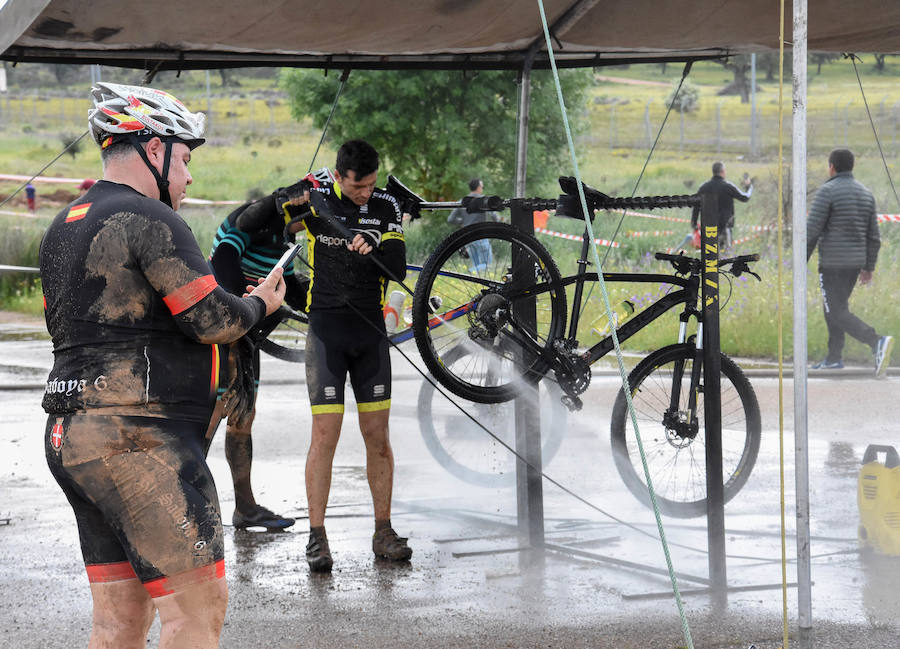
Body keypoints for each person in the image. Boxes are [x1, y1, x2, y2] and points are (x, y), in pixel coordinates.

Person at [38, 82, 286, 649]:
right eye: (186, 159)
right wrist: (260, 304)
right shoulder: (149, 217)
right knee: (196, 613)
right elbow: (212, 320)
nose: (189, 177)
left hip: (71, 434)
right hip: (140, 439)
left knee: (119, 620)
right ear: (155, 149)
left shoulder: (64, 223)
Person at [281, 139, 410, 572]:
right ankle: (317, 537)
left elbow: (397, 266)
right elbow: (279, 222)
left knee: (378, 436)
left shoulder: (386, 205)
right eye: (357, 187)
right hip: (326, 333)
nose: (365, 193)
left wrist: (374, 243)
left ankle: (383, 531)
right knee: (325, 437)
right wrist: (294, 201)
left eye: (371, 185)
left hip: (369, 333)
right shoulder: (316, 202)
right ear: (339, 176)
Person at [206, 172, 328, 531]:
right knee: (210, 415)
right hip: (223, 329)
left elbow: (287, 286)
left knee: (243, 417)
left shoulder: (287, 237)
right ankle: (183, 501)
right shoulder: (256, 217)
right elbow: (223, 261)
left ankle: (245, 508)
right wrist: (238, 318)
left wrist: (328, 308)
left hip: (247, 334)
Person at [807, 148, 893, 376]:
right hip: (854, 265)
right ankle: (834, 358)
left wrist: (800, 260)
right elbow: (874, 237)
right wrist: (869, 267)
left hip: (832, 264)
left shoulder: (827, 191)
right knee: (835, 309)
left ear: (832, 167)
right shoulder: (866, 194)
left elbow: (812, 230)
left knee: (835, 311)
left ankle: (876, 341)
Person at [690, 161, 752, 249]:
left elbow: (696, 206)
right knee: (726, 254)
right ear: (723, 171)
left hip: (708, 229)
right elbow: (745, 197)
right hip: (725, 227)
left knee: (710, 255)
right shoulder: (728, 186)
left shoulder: (703, 188)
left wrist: (694, 223)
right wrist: (749, 187)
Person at [447, 178, 502, 272]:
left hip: (467, 236)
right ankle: (468, 272)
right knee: (487, 265)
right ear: (479, 187)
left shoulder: (462, 201)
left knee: (477, 266)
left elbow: (450, 219)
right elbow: (495, 216)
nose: (482, 189)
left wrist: (462, 222)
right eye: (482, 187)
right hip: (481, 235)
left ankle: (470, 273)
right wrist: (498, 223)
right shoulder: (484, 200)